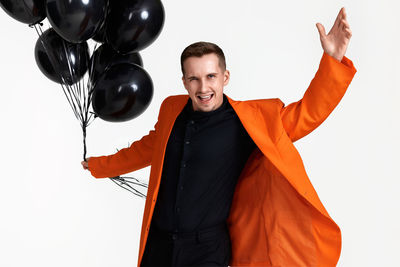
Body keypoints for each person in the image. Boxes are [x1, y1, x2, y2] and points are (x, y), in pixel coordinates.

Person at [82, 7, 356, 267]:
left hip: (207, 249)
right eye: (194, 79)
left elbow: (307, 113)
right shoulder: (171, 110)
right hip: (159, 243)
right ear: (184, 81)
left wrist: (332, 60)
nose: (203, 88)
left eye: (211, 76)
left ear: (225, 77)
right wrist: (99, 165)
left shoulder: (248, 121)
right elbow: (148, 149)